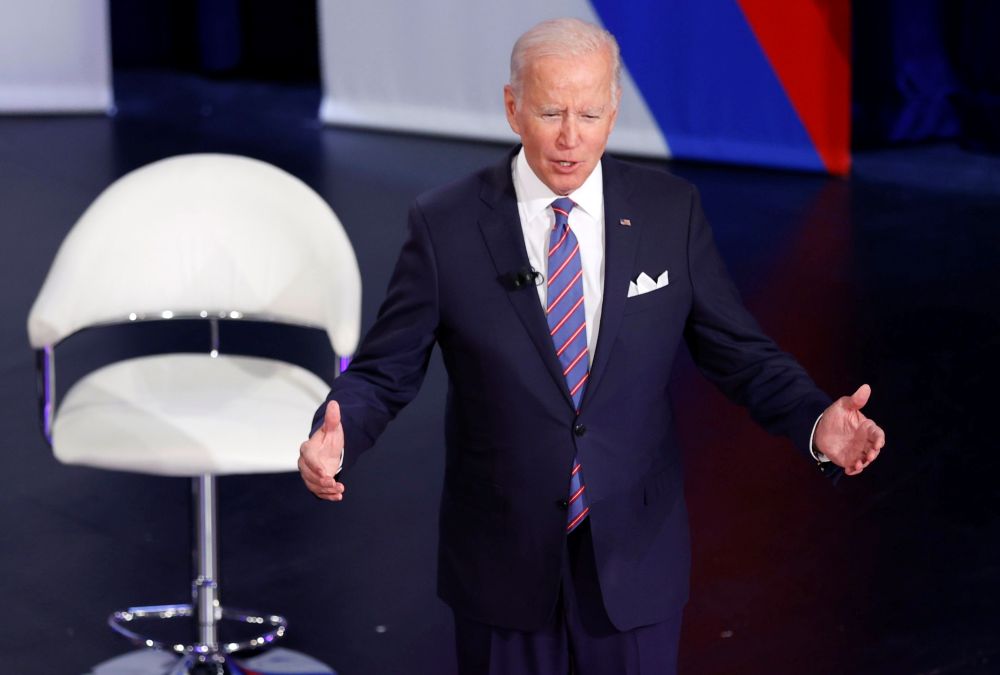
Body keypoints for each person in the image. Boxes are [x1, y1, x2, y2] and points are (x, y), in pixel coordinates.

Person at [298, 17, 885, 674]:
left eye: (590, 113)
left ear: (614, 111)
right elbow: (384, 370)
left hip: (635, 562)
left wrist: (814, 419)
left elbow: (739, 351)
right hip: (502, 565)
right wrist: (339, 431)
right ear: (513, 107)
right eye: (550, 112)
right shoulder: (446, 224)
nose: (571, 137)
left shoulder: (670, 211)